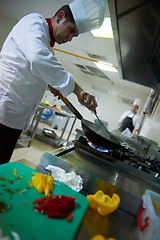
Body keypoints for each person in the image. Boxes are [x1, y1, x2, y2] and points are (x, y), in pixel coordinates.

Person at [0, 0, 105, 164]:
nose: (69, 38)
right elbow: (38, 58)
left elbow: (34, 71)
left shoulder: (48, 46)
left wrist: (50, 84)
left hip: (15, 118)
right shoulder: (34, 22)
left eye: (74, 36)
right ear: (60, 16)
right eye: (71, 30)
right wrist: (78, 91)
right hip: (4, 110)